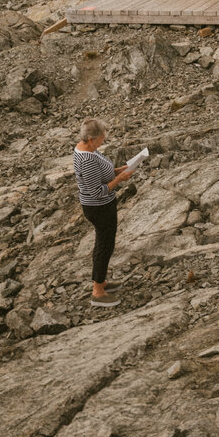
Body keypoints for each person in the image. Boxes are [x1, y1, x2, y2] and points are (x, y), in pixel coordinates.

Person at [73, 118, 132, 305]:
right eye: (101, 137)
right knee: (104, 246)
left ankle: (102, 281)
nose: (103, 140)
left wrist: (115, 171)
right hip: (99, 207)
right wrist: (119, 179)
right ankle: (97, 292)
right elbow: (97, 192)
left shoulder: (85, 148)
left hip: (100, 206)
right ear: (91, 139)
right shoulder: (87, 159)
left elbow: (99, 173)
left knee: (103, 243)